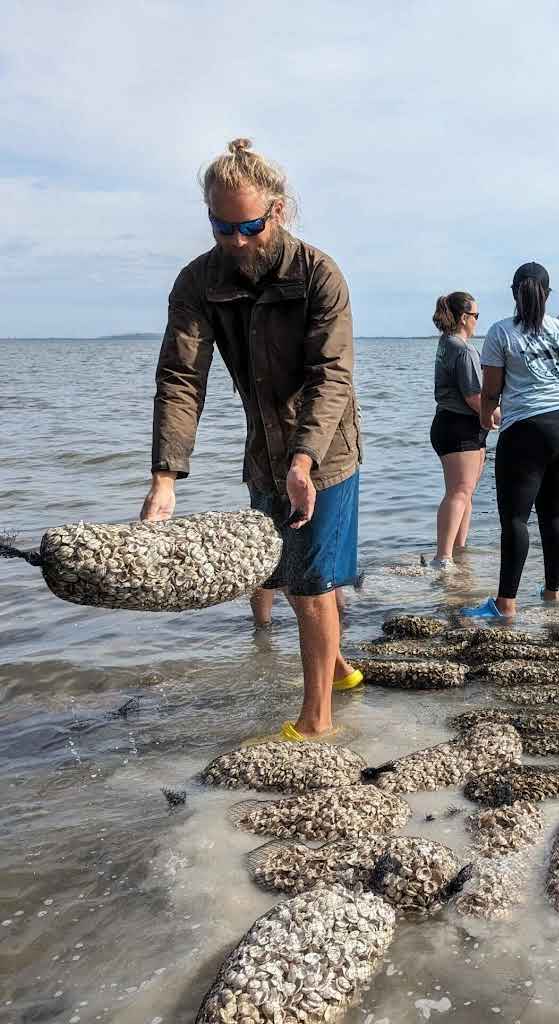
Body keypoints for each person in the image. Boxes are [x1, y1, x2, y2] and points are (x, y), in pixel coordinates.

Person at [141, 138, 363, 741]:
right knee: (284, 572)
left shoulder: (319, 274)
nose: (236, 241)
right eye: (222, 227)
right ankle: (339, 670)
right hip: (263, 453)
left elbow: (332, 374)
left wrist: (303, 458)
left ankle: (316, 722)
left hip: (326, 451)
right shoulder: (198, 283)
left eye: (250, 226)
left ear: (278, 209)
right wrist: (165, 479)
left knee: (312, 582)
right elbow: (182, 379)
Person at [463, 262, 559, 619]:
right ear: (547, 294)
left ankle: (506, 604)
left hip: (526, 429)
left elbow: (491, 390)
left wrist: (487, 418)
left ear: (515, 292)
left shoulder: (501, 333)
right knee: (553, 514)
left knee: (515, 518)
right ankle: (552, 594)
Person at [429, 290, 489, 568]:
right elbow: (474, 396)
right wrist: (502, 414)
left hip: (458, 425)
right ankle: (443, 556)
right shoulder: (462, 349)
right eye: (476, 315)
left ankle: (459, 552)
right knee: (459, 492)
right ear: (464, 318)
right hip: (458, 425)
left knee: (465, 493)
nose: (478, 321)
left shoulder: (447, 342)